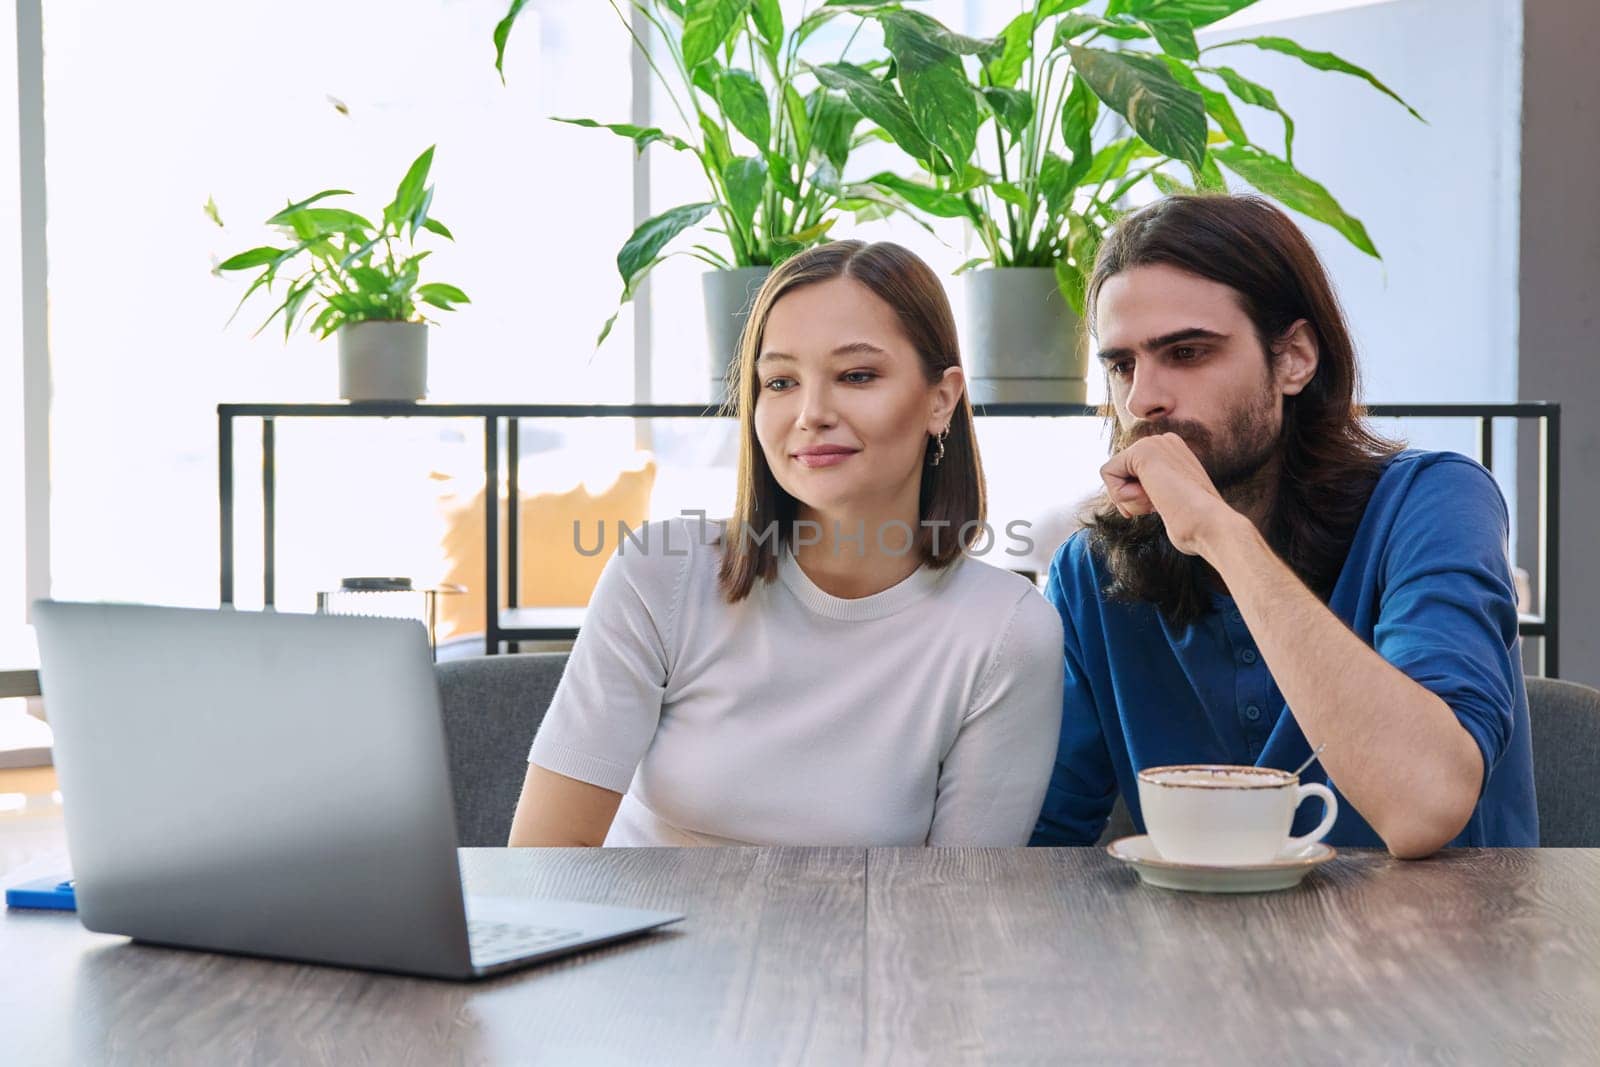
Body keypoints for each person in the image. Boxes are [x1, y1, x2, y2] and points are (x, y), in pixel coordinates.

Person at [509, 240, 1063, 847]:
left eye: (857, 375)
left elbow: (962, 907)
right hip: (633, 939)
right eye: (779, 381)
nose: (811, 413)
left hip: (874, 944)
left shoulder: (1007, 633)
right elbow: (544, 864)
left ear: (941, 399)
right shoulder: (662, 575)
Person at [1031, 195, 1537, 858]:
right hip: (1194, 956)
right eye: (1123, 365)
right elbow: (1040, 843)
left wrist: (1219, 531)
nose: (1141, 399)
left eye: (1186, 352)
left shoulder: (1434, 501)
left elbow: (1425, 801)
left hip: (1442, 951)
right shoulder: (1089, 570)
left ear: (1294, 357)